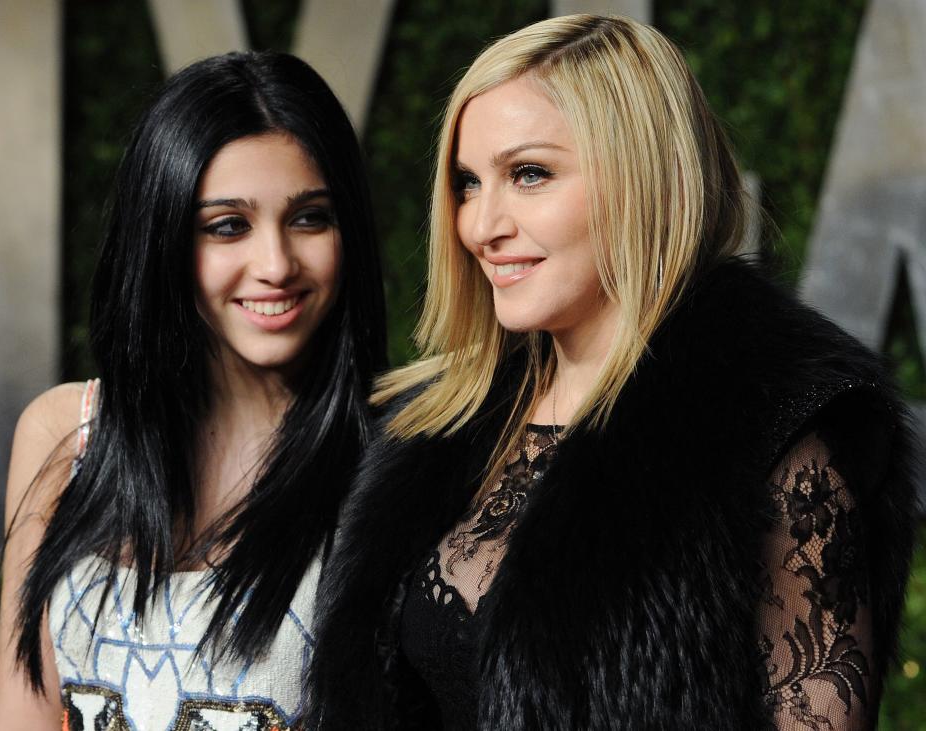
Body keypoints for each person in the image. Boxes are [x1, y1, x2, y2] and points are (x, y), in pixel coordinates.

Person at [307, 14, 917, 730]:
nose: (480, 224)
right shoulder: (440, 422)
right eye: (468, 183)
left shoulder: (775, 437)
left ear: (642, 179)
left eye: (528, 173)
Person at [0, 51, 386, 729]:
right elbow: (20, 713)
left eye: (310, 218)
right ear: (164, 236)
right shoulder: (67, 433)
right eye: (227, 225)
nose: (275, 265)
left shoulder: (393, 457)